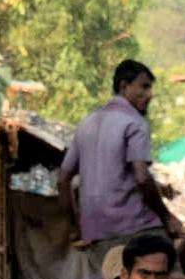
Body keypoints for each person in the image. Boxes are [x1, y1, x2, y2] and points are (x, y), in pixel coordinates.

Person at [55, 59, 178, 254]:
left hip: (95, 236)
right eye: (144, 87)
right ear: (124, 86)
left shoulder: (86, 123)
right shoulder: (134, 122)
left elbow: (63, 180)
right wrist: (167, 217)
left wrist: (74, 228)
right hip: (135, 229)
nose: (149, 95)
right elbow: (142, 177)